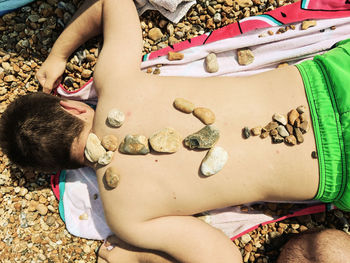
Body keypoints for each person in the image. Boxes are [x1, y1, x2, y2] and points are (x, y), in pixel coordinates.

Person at [1, 0, 350, 262]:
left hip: (336, 169)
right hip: (329, 81)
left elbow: (222, 259)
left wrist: (130, 256)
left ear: (63, 169)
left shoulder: (126, 216)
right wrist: (57, 56)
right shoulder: (117, 85)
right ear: (72, 106)